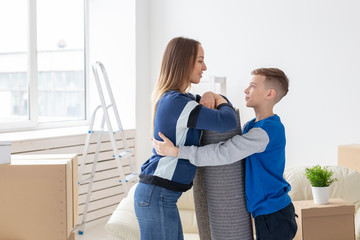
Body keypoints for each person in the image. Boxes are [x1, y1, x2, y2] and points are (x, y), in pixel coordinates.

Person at [153, 68, 298, 240]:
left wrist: (176, 152)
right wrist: (212, 95)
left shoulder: (266, 131)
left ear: (269, 94)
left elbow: (224, 152)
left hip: (274, 214)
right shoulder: (253, 126)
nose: (245, 90)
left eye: (252, 86)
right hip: (267, 212)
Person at [134, 36, 238, 240]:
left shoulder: (181, 100)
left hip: (160, 196)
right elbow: (227, 120)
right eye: (200, 60)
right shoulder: (178, 103)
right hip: (157, 195)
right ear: (184, 62)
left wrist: (210, 93)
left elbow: (217, 110)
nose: (205, 67)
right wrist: (218, 98)